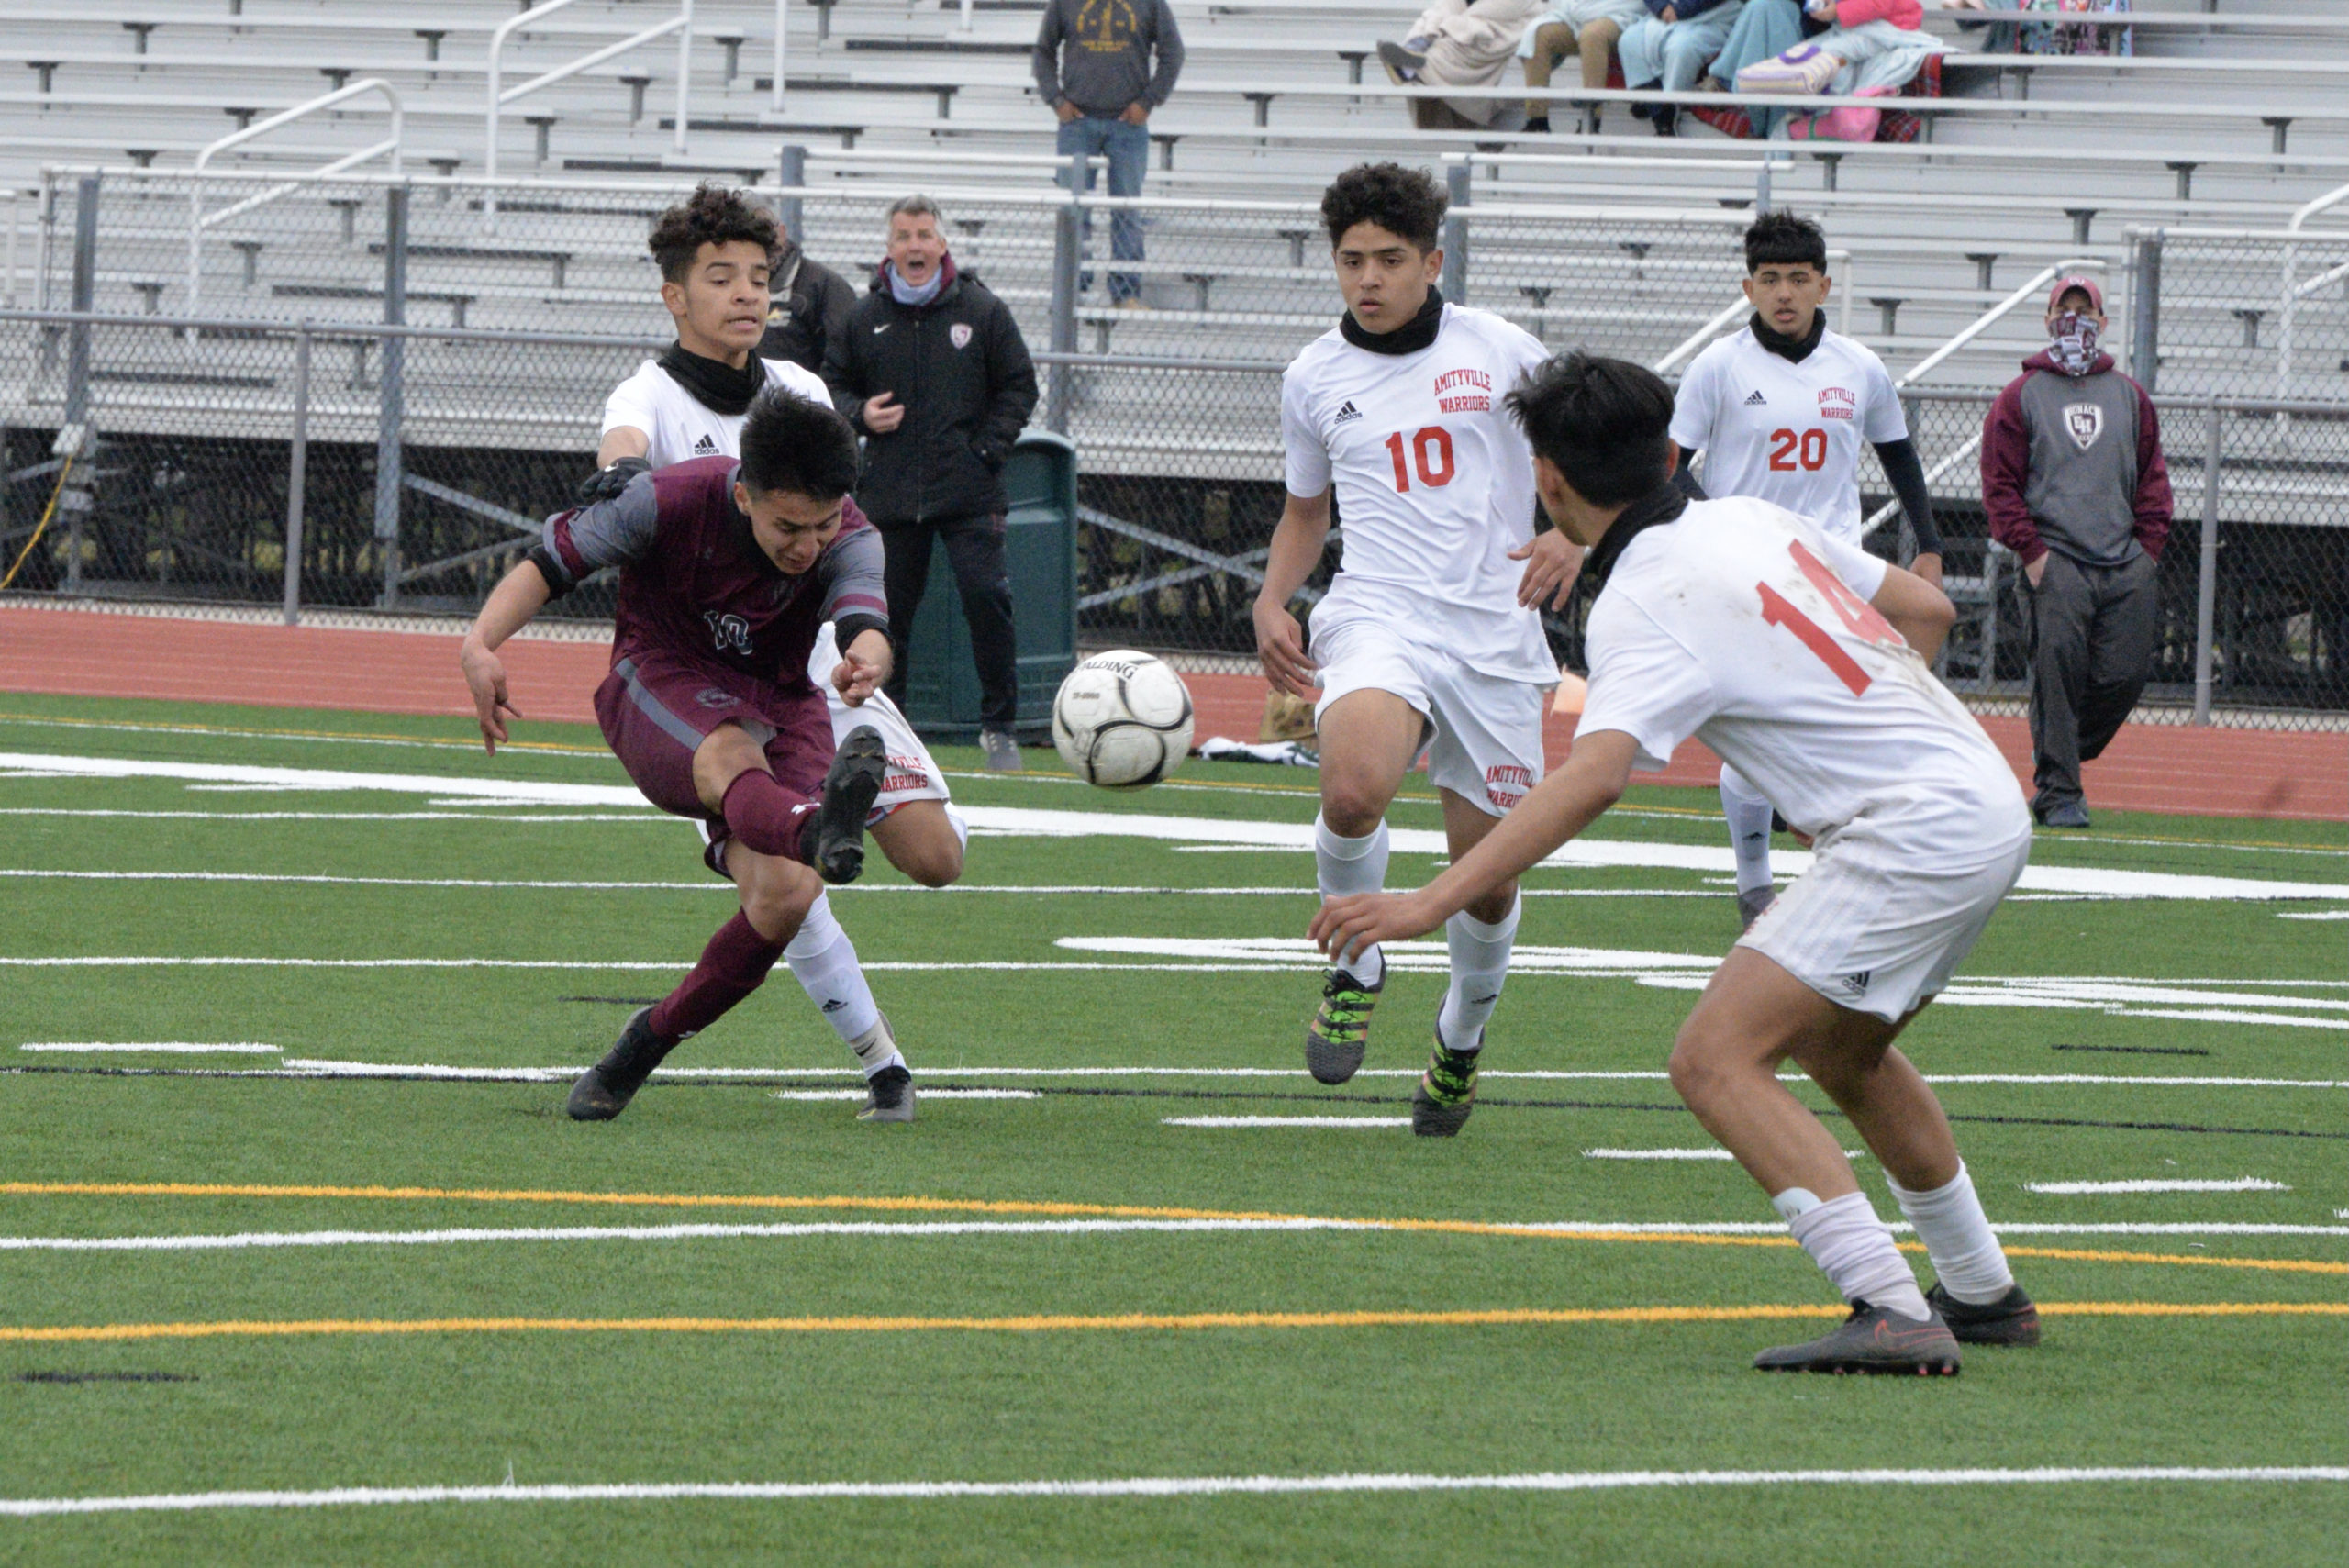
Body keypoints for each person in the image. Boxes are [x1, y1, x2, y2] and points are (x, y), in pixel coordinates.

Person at [1315, 351, 2042, 1374]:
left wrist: (1431, 900)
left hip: (1909, 830)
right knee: (1842, 1050)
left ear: (1548, 481)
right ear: (1667, 452)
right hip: (1981, 797)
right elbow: (1927, 615)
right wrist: (1832, 743)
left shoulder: (1640, 600)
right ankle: (1979, 1289)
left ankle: (1886, 1304)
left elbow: (1592, 776)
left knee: (1713, 1058)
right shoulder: (1748, 517)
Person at [462, 389, 919, 1125]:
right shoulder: (663, 501)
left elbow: (867, 621)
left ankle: (643, 1042)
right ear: (743, 494)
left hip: (781, 695)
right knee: (728, 754)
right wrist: (480, 643)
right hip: (659, 678)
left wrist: (865, 663)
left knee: (786, 897)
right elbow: (550, 563)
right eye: (787, 527)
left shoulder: (854, 535)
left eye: (823, 524)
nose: (808, 544)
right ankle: (812, 826)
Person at [1258, 162, 1582, 1137]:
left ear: (1432, 260)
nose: (1369, 277)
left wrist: (1575, 533)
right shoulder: (1313, 374)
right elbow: (1305, 511)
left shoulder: (1502, 350)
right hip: (1377, 613)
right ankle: (1356, 966)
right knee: (1351, 787)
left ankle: (1460, 1039)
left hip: (1492, 633)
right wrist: (1274, 597)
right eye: (1351, 259)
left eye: (1390, 259)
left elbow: (1592, 453)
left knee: (1483, 881)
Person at [1667, 211, 1943, 929]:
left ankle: (1837, 838)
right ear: (1748, 287)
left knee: (1877, 678)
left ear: (1823, 283)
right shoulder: (1718, 367)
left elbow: (1900, 457)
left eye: (1797, 278)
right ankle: (1757, 880)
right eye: (1768, 280)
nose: (1783, 293)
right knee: (1762, 717)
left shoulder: (1858, 367)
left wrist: (1930, 543)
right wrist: (1721, 524)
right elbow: (1669, 469)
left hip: (1834, 568)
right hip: (1747, 569)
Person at [822, 195, 1041, 773]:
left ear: (942, 244)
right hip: (890, 496)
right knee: (886, 618)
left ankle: (1000, 730)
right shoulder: (862, 317)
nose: (915, 245)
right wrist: (859, 413)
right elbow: (830, 386)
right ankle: (891, 733)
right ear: (888, 247)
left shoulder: (982, 309)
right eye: (904, 235)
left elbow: (1019, 385)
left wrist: (988, 448)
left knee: (988, 601)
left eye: (924, 234)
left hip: (969, 493)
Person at [1982, 274, 2171, 830]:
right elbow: (2000, 485)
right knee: (2057, 672)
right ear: (2046, 320)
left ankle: (2058, 744)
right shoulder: (2020, 397)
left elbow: (2152, 479)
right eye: (2063, 309)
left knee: (2126, 674)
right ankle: (2059, 790)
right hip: (2055, 558)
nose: (2074, 319)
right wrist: (2034, 554)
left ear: (2104, 322)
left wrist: (2148, 551)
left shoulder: (2130, 396)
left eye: (2084, 310)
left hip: (2123, 563)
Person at [1032, 0, 1185, 309]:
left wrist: (1149, 101)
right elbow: (1043, 52)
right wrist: (1056, 100)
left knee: (1126, 212)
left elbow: (1173, 53)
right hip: (1076, 124)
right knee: (1074, 212)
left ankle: (1125, 293)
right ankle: (1072, 293)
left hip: (1127, 125)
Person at [1378, 0, 1549, 129]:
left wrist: (1441, 26)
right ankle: (1418, 46)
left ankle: (1418, 66)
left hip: (1513, 15)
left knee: (1463, 37)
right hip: (1466, 21)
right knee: (1445, 11)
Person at [1617, 0, 1746, 136]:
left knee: (1681, 48)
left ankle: (1669, 107)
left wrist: (1681, 10)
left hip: (1712, 18)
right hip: (1665, 14)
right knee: (1629, 40)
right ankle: (1651, 100)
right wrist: (1662, 8)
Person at [1518, 0, 1648, 133]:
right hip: (1577, 15)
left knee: (1593, 35)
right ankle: (1537, 120)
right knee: (1539, 34)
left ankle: (1592, 120)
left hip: (1621, 14)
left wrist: (1581, 10)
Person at [759, 216, 856, 376]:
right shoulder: (727, 289)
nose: (758, 245)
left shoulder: (825, 287)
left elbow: (845, 364)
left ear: (781, 232)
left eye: (762, 233)